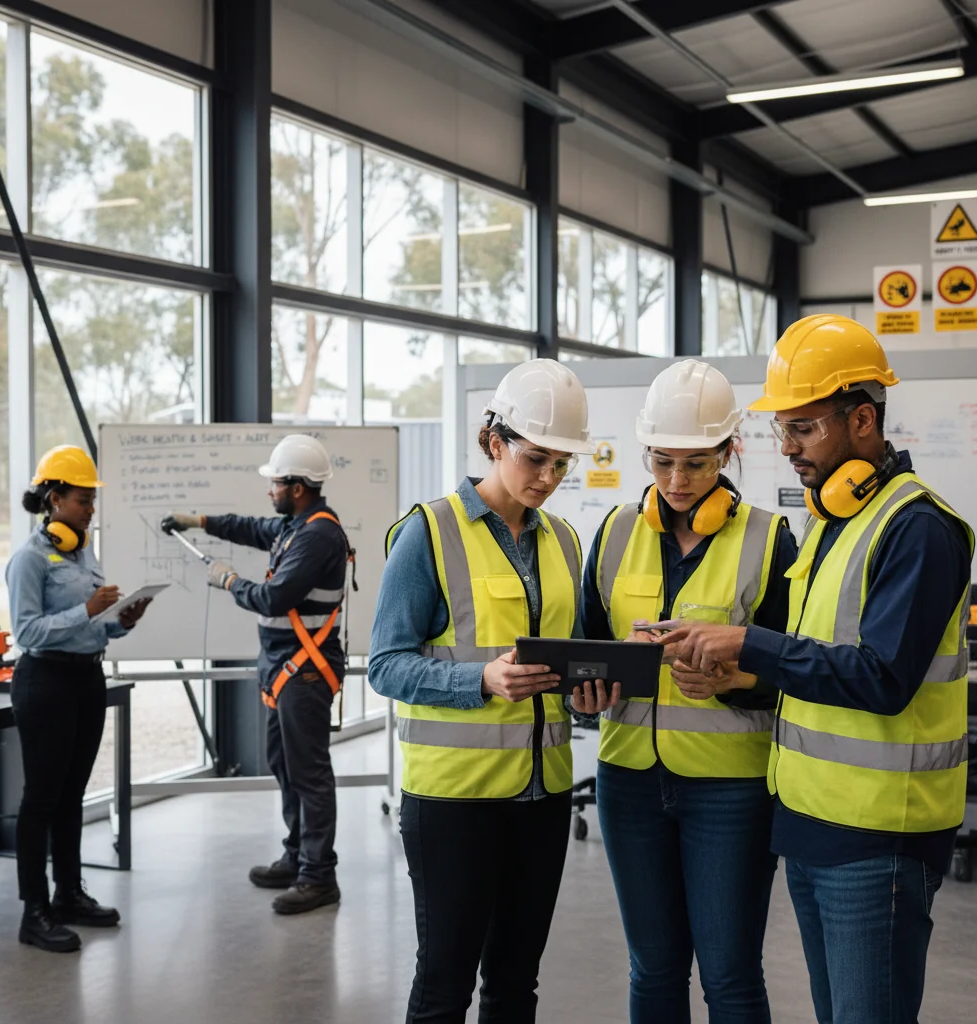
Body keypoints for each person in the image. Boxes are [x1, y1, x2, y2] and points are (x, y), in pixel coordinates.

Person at [661, 315, 974, 1024]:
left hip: (879, 835)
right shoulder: (834, 520)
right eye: (782, 430)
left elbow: (881, 679)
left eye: (803, 428)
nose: (788, 448)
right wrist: (739, 678)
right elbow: (818, 667)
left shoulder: (917, 528)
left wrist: (748, 644)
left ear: (862, 419)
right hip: (810, 820)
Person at [369, 359, 595, 1024]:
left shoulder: (564, 540)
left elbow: (568, 655)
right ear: (494, 442)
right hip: (454, 804)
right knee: (444, 987)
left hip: (543, 795)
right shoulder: (428, 533)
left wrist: (588, 690)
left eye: (563, 464)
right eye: (537, 459)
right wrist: (481, 680)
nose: (550, 479)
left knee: (514, 986)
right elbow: (385, 664)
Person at [575, 360, 797, 1024]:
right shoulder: (614, 534)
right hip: (629, 781)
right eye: (663, 461)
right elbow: (589, 647)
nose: (676, 481)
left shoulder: (769, 539)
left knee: (729, 976)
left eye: (697, 463)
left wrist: (737, 679)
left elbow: (796, 671)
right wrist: (585, 695)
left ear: (730, 451)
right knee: (654, 968)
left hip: (730, 788)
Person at [162, 434, 352, 916]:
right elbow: (250, 527)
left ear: (297, 487)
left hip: (305, 673)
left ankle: (318, 875)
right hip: (285, 669)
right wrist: (199, 521)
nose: (269, 489)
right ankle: (297, 856)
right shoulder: (296, 525)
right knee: (287, 766)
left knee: (309, 774)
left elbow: (273, 598)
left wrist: (229, 581)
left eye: (275, 482)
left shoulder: (317, 535)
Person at [6, 445, 151, 953]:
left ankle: (68, 894)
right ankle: (34, 911)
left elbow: (94, 626)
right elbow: (27, 631)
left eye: (92, 499)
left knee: (72, 797)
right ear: (54, 497)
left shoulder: (83, 551)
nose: (91, 508)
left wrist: (120, 620)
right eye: (83, 499)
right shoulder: (28, 559)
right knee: (41, 800)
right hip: (44, 682)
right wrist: (87, 609)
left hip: (86, 681)